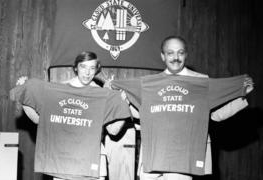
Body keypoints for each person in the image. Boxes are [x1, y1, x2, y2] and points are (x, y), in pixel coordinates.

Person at [105, 36, 254, 180]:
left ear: (186, 55)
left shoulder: (201, 82)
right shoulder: (149, 84)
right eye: (170, 53)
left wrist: (241, 95)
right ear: (163, 56)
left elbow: (215, 115)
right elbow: (142, 114)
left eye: (180, 53)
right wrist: (121, 98)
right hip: (153, 155)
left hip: (183, 157)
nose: (176, 57)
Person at [10, 51, 130, 180]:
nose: (87, 72)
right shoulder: (58, 91)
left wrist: (124, 105)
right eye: (83, 67)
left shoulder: (102, 95)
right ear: (75, 68)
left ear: (96, 70)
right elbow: (39, 120)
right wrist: (24, 96)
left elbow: (113, 131)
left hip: (93, 163)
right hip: (63, 162)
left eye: (92, 68)